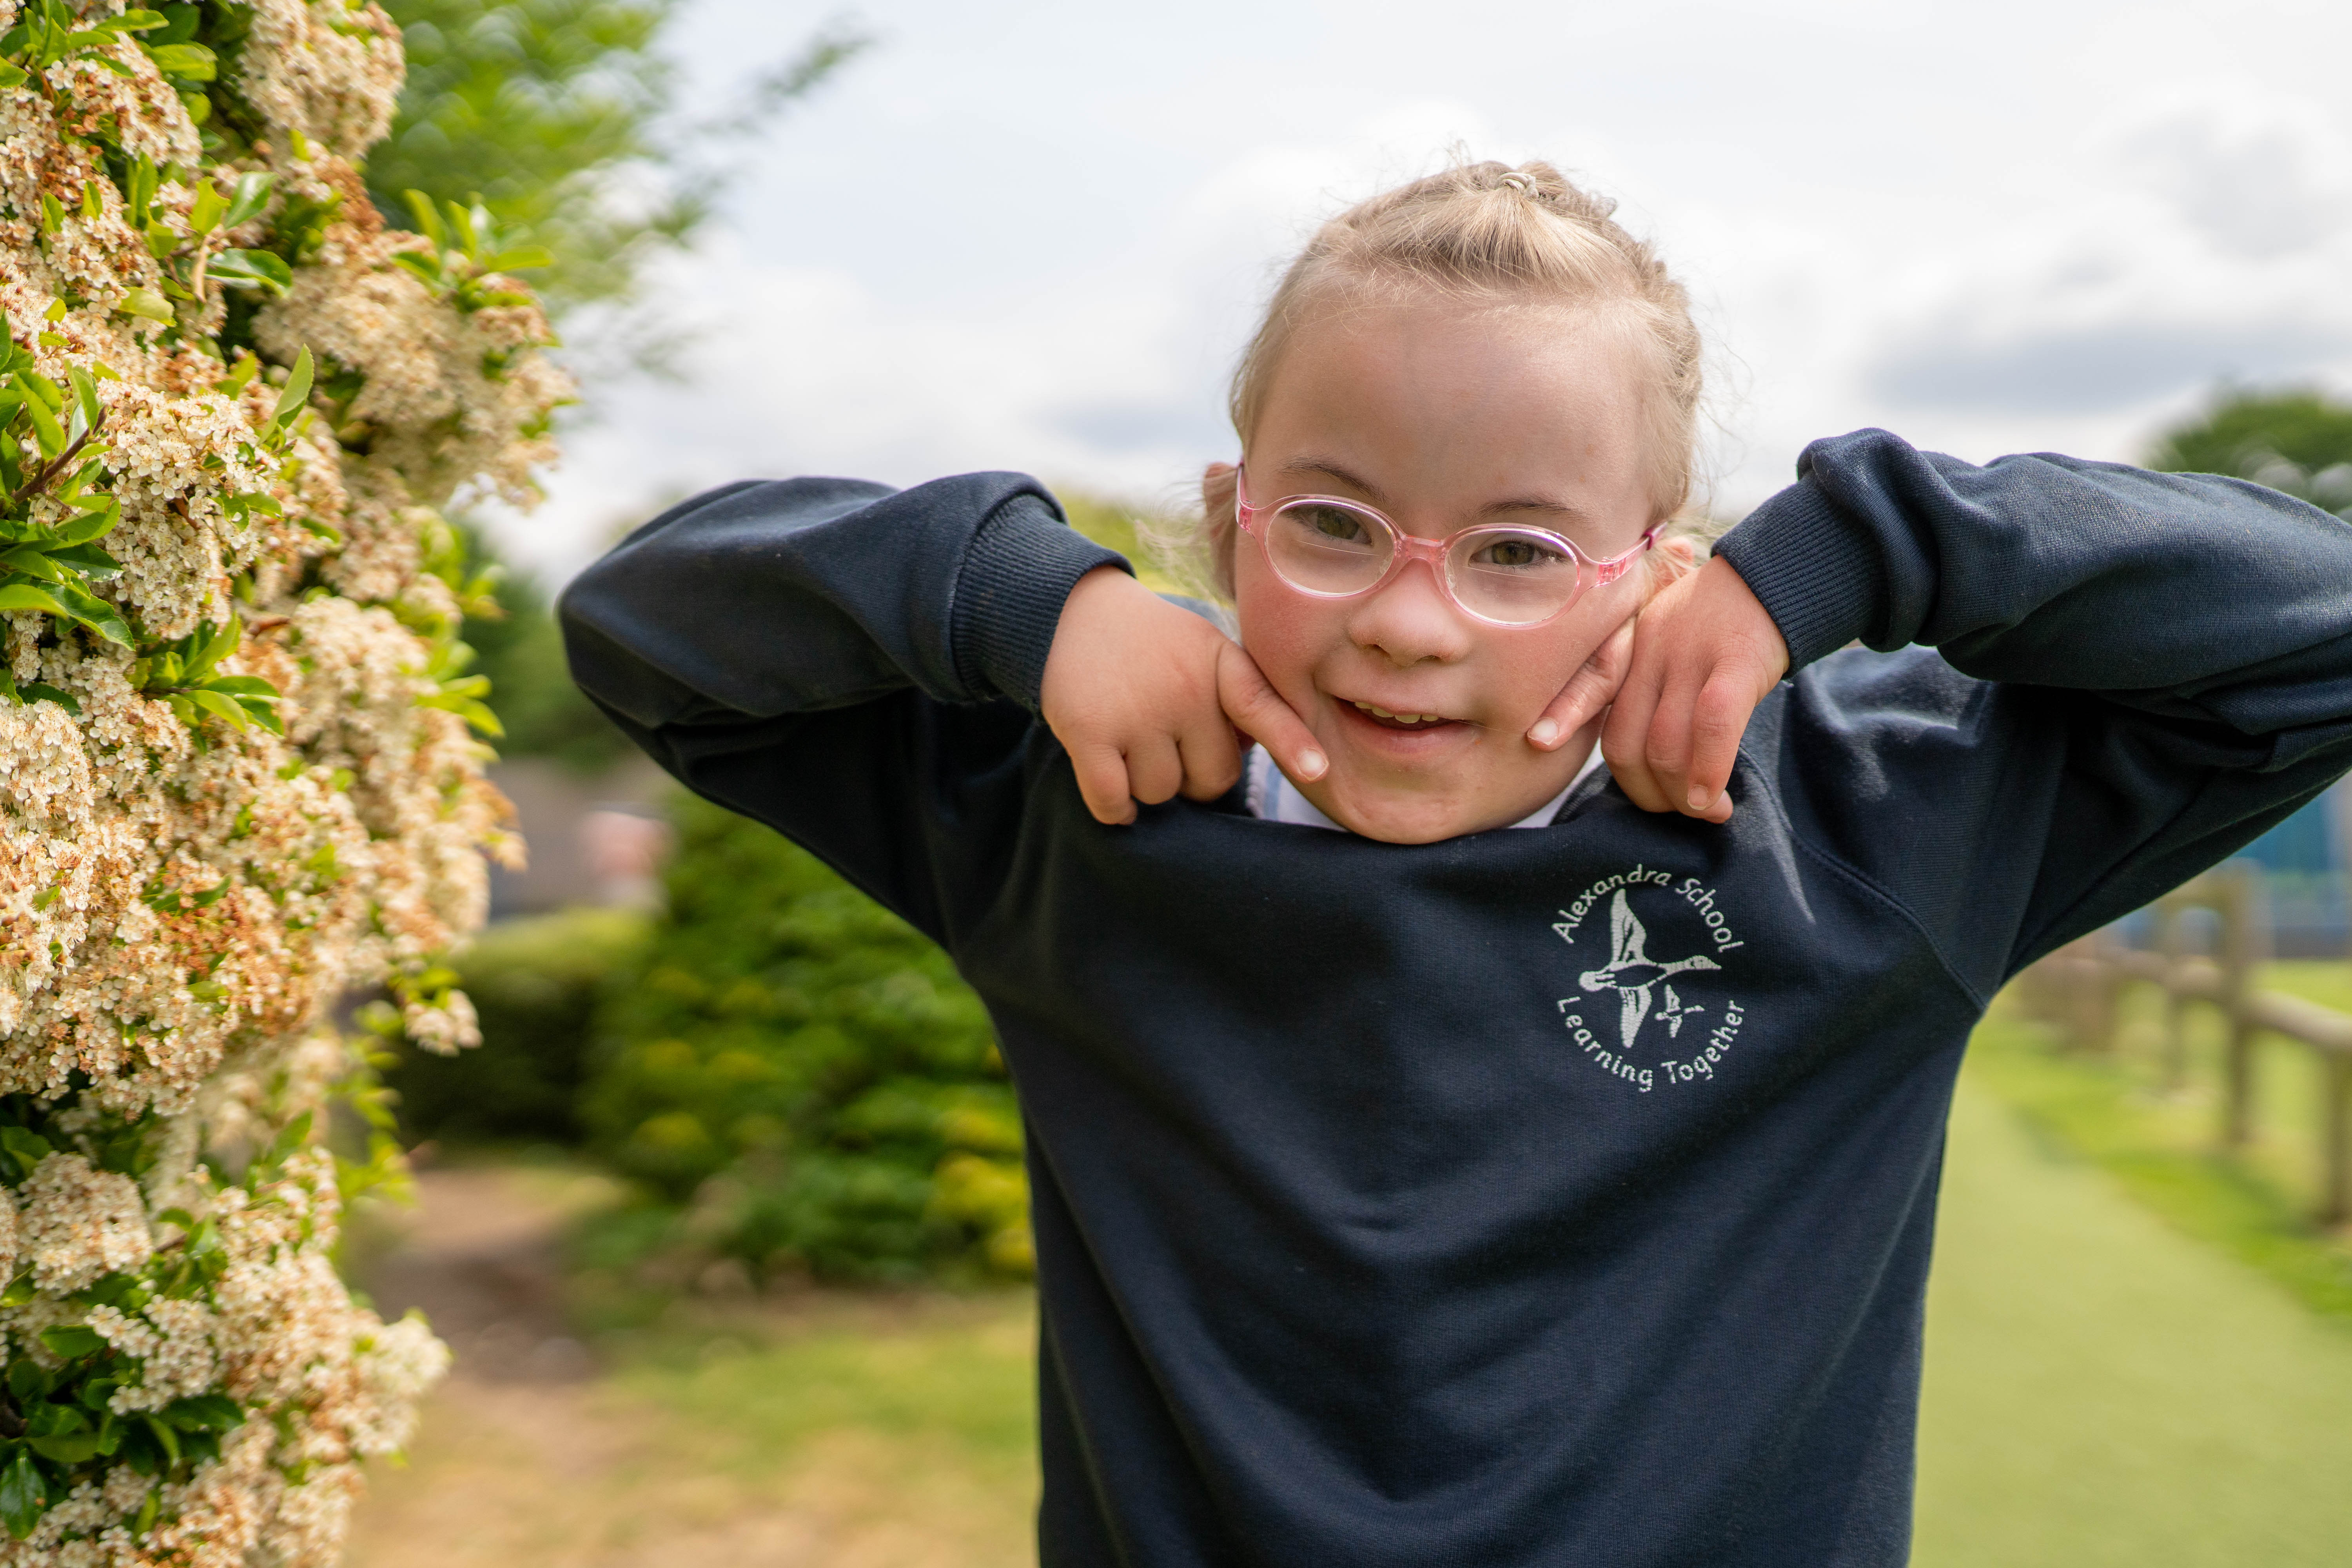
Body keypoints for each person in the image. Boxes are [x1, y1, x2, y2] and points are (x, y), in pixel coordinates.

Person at [558, 161, 2352, 1565]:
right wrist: (1034, 604)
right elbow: (648, 627)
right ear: (1226, 515)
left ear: (1659, 571)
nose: (1411, 624)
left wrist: (1865, 553)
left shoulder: (1868, 825)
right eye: (1330, 524)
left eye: (1518, 550)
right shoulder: (1075, 806)